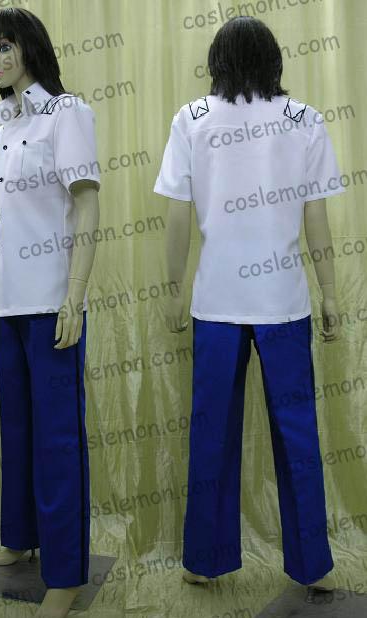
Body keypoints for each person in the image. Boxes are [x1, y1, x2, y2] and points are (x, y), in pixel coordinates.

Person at [154, 15, 345, 590]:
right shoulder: (304, 120)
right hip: (283, 301)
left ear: (217, 61)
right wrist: (330, 292)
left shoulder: (191, 119)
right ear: (273, 60)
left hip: (216, 302)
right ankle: (312, 566)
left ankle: (204, 561)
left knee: (211, 432)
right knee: (298, 435)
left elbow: (178, 214)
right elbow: (316, 215)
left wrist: (173, 290)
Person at [0, 8, 101, 617]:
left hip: (49, 302)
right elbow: (0, 218)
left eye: (4, 47)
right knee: (16, 427)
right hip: (8, 303)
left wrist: (76, 295)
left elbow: (87, 205)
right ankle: (19, 536)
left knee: (57, 438)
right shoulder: (4, 125)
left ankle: (65, 573)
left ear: (30, 48)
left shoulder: (66, 114)